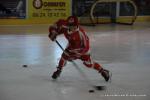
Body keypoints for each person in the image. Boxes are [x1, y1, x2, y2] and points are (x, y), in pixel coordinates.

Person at [49, 16, 111, 82]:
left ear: (77, 25)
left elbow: (86, 47)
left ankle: (103, 71)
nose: (71, 27)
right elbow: (54, 26)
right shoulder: (64, 25)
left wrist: (74, 55)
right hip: (71, 46)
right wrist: (53, 32)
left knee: (88, 64)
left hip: (83, 50)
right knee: (64, 56)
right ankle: (59, 70)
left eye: (74, 26)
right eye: (70, 25)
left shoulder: (81, 34)